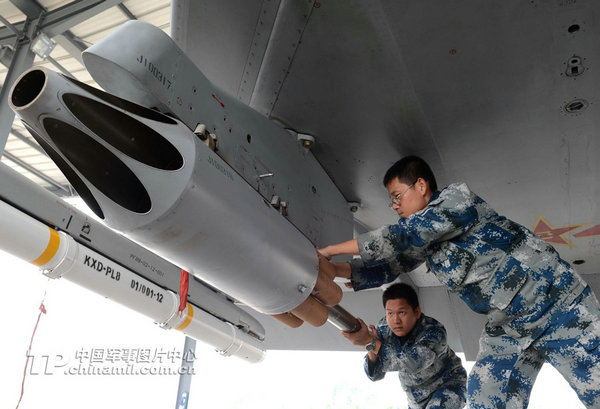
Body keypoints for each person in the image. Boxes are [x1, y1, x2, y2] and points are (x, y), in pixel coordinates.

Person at [318, 155, 600, 408]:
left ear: (420, 185)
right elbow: (390, 266)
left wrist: (330, 250)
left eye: (397, 197)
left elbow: (400, 237)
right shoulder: (426, 241)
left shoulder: (456, 201)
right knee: (485, 398)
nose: (394, 206)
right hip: (509, 325)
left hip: (556, 304)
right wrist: (332, 270)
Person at [343, 282, 467, 409]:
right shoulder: (384, 328)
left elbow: (413, 363)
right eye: (390, 313)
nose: (395, 320)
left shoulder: (434, 332)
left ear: (417, 312)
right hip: (416, 399)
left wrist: (371, 342)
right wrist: (369, 345)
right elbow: (375, 375)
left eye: (401, 313)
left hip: (446, 387)